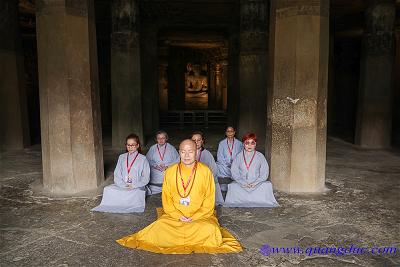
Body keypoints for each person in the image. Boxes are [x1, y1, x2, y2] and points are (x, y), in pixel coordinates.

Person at [116, 139, 242, 254]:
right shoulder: (170, 171)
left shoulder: (205, 171)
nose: (186, 155)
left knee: (210, 229)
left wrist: (195, 216)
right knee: (159, 226)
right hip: (175, 216)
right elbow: (166, 198)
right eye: (183, 152)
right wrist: (177, 215)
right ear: (179, 153)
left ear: (197, 152)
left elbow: (209, 199)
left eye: (190, 152)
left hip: (199, 216)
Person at [91, 134, 150, 213]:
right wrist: (122, 185)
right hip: (123, 184)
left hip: (136, 186)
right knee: (107, 189)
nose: (130, 147)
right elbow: (117, 174)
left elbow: (146, 178)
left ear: (138, 145)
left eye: (133, 145)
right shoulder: (121, 157)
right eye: (128, 145)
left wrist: (134, 185)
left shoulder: (143, 159)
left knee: (137, 193)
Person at [224, 133, 279, 207]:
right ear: (243, 144)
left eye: (252, 143)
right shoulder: (238, 156)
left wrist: (255, 183)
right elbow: (234, 172)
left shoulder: (260, 156)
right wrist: (242, 182)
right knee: (232, 186)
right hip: (242, 183)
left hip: (256, 183)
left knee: (267, 185)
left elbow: (264, 172)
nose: (249, 145)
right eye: (247, 143)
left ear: (255, 144)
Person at [191, 131, 224, 205]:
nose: (196, 142)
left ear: (202, 141)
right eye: (194, 140)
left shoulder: (207, 154)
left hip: (204, 180)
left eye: (198, 140)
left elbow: (214, 170)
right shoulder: (186, 153)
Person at [146, 131, 179, 195]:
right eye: (159, 138)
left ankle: (163, 187)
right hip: (156, 169)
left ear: (166, 138)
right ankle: (161, 187)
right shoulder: (153, 148)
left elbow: (177, 160)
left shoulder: (171, 148)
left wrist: (167, 166)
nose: (161, 140)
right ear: (156, 139)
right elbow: (147, 160)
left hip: (168, 169)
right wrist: (155, 166)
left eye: (163, 138)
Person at [216, 126, 243, 191]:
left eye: (231, 131)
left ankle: (234, 179)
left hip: (236, 165)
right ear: (226, 133)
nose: (230, 133)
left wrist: (234, 163)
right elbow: (219, 156)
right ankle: (225, 183)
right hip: (225, 165)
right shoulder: (222, 143)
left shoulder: (239, 143)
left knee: (242, 167)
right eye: (228, 131)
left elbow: (241, 155)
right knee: (217, 166)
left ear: (234, 132)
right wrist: (227, 163)